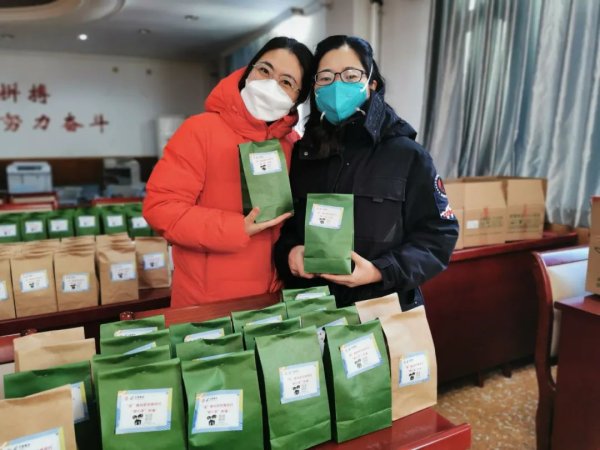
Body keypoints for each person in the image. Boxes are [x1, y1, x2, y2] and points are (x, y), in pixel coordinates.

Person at [274, 35, 459, 311]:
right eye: (325, 78)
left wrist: (379, 271)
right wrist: (290, 253)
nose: (337, 86)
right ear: (314, 88)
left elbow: (438, 236)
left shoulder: (407, 155)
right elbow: (284, 228)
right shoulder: (304, 155)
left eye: (350, 75)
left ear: (372, 83)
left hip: (383, 308)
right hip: (313, 310)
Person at [144, 37, 313, 306]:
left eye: (286, 82)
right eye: (264, 70)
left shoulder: (294, 145)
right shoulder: (200, 130)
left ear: (298, 99)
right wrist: (235, 228)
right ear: (248, 71)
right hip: (209, 305)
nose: (270, 85)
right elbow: (161, 208)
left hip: (274, 299)